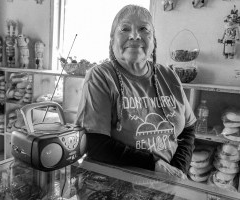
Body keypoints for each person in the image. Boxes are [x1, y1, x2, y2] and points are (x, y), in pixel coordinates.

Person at [75, 5, 196, 179]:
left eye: (143, 29)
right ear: (112, 40)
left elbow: (188, 128)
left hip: (165, 182)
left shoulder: (169, 75)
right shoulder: (101, 76)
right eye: (125, 29)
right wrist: (153, 166)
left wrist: (177, 169)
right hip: (115, 183)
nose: (134, 35)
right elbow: (95, 143)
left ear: (153, 40)